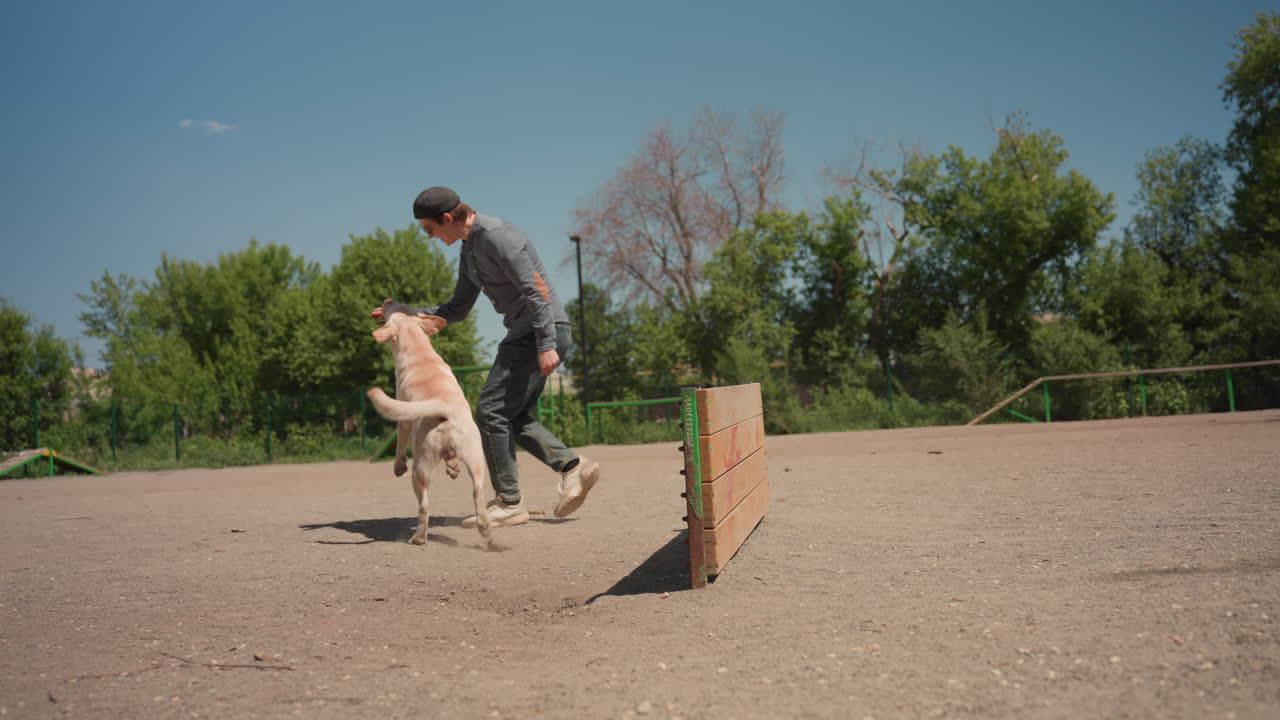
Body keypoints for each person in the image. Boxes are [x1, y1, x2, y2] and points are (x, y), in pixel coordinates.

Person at [371, 186, 599, 528]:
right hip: (529, 332)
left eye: (429, 229)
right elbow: (456, 308)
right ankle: (572, 467)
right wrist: (404, 317)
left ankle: (509, 502)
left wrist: (546, 342)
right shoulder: (470, 250)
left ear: (447, 218)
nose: (430, 237)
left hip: (537, 331)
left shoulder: (497, 236)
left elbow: (534, 290)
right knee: (510, 416)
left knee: (490, 409)